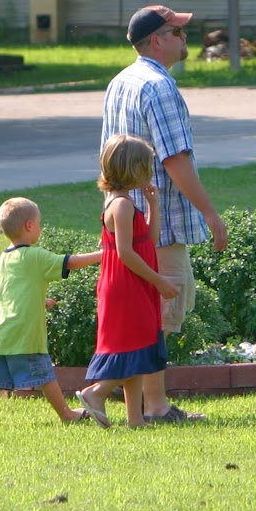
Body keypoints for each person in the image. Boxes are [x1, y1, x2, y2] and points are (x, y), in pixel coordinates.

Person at [100, 4, 229, 424]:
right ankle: (151, 406)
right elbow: (175, 158)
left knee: (145, 315)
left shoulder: (121, 81)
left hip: (123, 219)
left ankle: (145, 404)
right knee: (161, 315)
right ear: (157, 40)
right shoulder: (159, 87)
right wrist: (211, 213)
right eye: (177, 31)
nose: (185, 38)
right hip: (161, 223)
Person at [0, 197, 103, 428]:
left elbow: (12, 290)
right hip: (25, 334)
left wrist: (39, 300)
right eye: (39, 223)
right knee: (45, 375)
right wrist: (105, 254)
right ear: (29, 225)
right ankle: (66, 414)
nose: (40, 227)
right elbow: (70, 262)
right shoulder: (34, 256)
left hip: (0, 332)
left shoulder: (5, 256)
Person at [75, 135, 180, 428]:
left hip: (136, 282)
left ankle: (135, 418)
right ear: (132, 169)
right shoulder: (120, 206)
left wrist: (153, 206)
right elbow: (125, 253)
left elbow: (150, 239)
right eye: (146, 165)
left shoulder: (128, 203)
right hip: (126, 285)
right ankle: (95, 393)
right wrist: (159, 280)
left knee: (139, 347)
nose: (150, 170)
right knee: (131, 349)